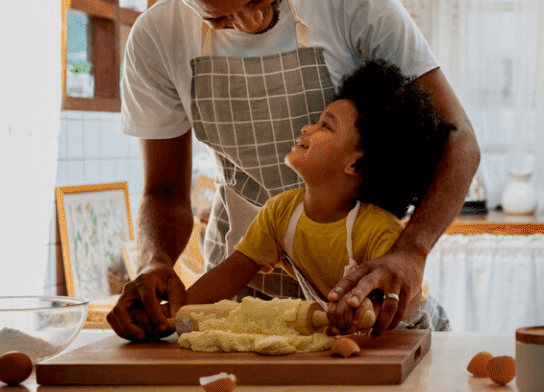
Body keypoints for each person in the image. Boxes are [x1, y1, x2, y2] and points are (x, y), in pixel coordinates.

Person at [108, 0, 480, 341]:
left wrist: (410, 251)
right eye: (220, 20)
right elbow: (165, 191)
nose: (250, 22)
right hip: (240, 298)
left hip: (355, 293)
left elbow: (459, 139)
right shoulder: (155, 39)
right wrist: (156, 265)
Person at [179, 59, 456, 334]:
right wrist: (174, 312)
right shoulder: (280, 213)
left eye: (326, 126)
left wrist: (362, 309)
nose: (307, 128)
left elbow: (382, 307)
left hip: (417, 332)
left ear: (356, 164)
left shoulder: (378, 231)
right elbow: (231, 273)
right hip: (361, 339)